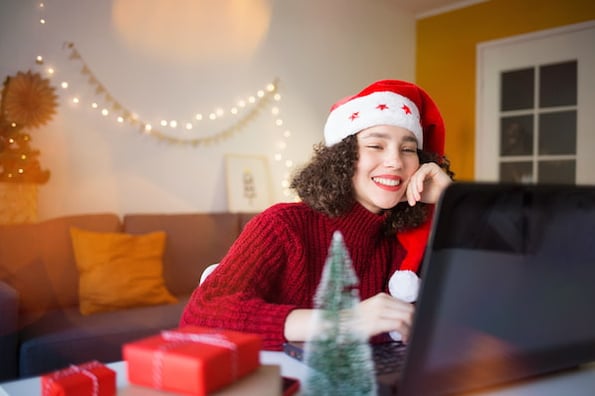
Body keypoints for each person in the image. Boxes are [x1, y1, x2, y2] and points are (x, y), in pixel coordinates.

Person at [180, 79, 454, 350]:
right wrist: (342, 322)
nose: (396, 161)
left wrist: (451, 202)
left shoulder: (411, 241)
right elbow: (200, 314)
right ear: (343, 158)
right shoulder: (283, 224)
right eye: (375, 146)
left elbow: (481, 306)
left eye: (408, 149)